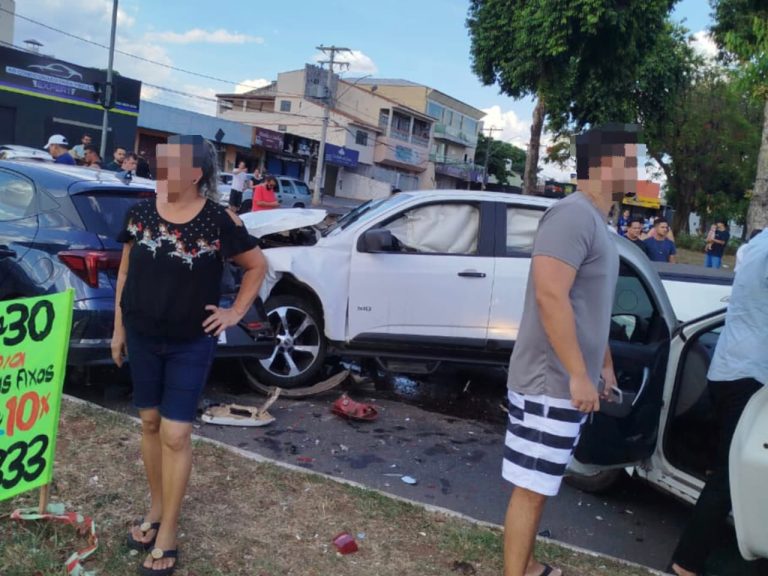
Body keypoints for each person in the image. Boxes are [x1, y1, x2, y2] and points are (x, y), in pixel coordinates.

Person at [111, 134, 267, 576]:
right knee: (149, 422)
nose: (161, 172)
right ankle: (156, 509)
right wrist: (118, 331)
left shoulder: (221, 220)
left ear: (196, 173)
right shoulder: (139, 214)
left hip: (190, 341)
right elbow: (125, 272)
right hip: (142, 334)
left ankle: (169, 532)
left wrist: (235, 312)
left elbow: (257, 266)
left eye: (172, 165)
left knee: (176, 434)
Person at [502, 123, 634, 576]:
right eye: (630, 161)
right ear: (604, 165)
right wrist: (578, 374)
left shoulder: (597, 222)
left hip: (566, 378)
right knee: (532, 485)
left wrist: (604, 363)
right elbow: (550, 295)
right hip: (548, 381)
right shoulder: (572, 215)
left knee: (543, 480)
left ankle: (529, 564)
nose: (637, 171)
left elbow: (589, 305)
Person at [669, 228, 768, 576]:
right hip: (752, 375)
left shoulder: (757, 243)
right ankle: (685, 564)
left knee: (724, 464)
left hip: (727, 366)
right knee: (729, 475)